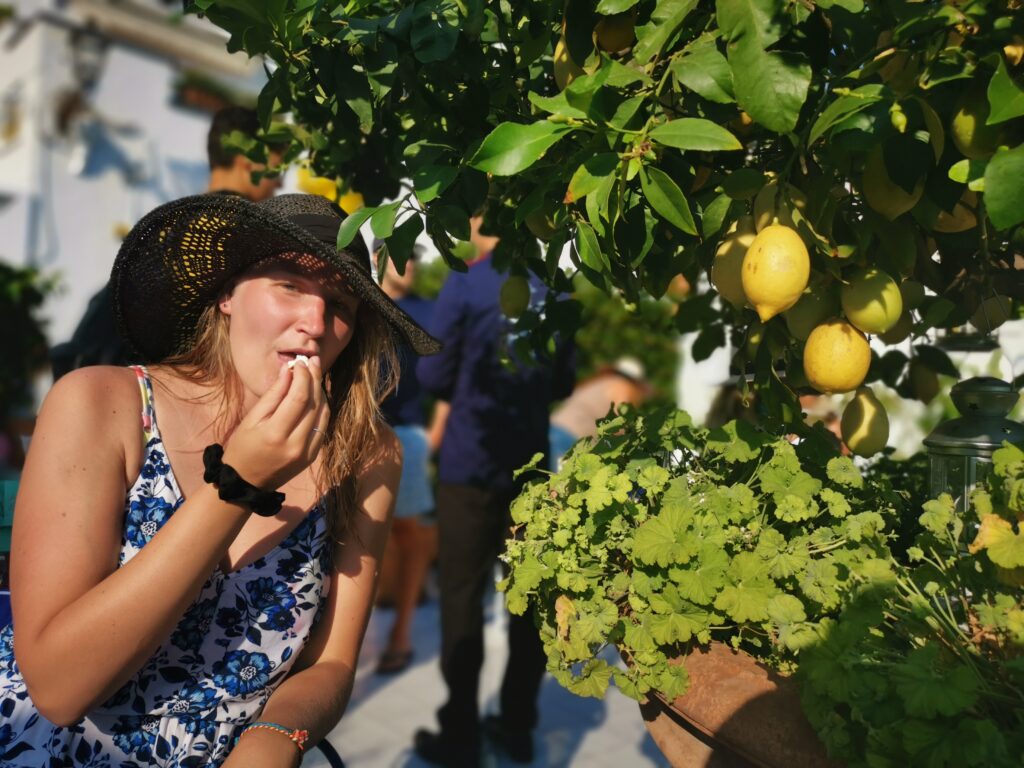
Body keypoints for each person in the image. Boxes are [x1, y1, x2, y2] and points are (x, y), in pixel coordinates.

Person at [0, 192, 440, 766]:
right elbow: (58, 691)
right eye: (289, 284)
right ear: (227, 294)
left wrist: (276, 737)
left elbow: (331, 664)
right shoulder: (101, 405)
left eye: (340, 303)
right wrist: (238, 484)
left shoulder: (367, 451)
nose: (314, 322)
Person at [413, 215, 575, 767]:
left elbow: (433, 377)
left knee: (461, 596)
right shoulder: (557, 285)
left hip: (470, 462)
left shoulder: (466, 280)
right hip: (529, 465)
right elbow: (563, 381)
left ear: (484, 220)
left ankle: (460, 736)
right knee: (527, 598)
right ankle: (517, 725)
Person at [50, 105, 283, 380]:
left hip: (111, 380)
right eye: (276, 169)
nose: (279, 183)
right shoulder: (240, 230)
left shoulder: (170, 224)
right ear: (251, 162)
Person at [374, 245, 444, 675]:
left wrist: (436, 431)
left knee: (410, 534)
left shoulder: (429, 311)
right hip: (354, 433)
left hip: (407, 437)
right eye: (403, 254)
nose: (412, 264)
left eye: (416, 257)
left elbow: (457, 370)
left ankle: (400, 635)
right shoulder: (359, 302)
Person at [548, 356, 651, 468]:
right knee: (559, 483)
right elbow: (618, 421)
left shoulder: (596, 381)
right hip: (572, 437)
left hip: (555, 427)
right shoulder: (623, 387)